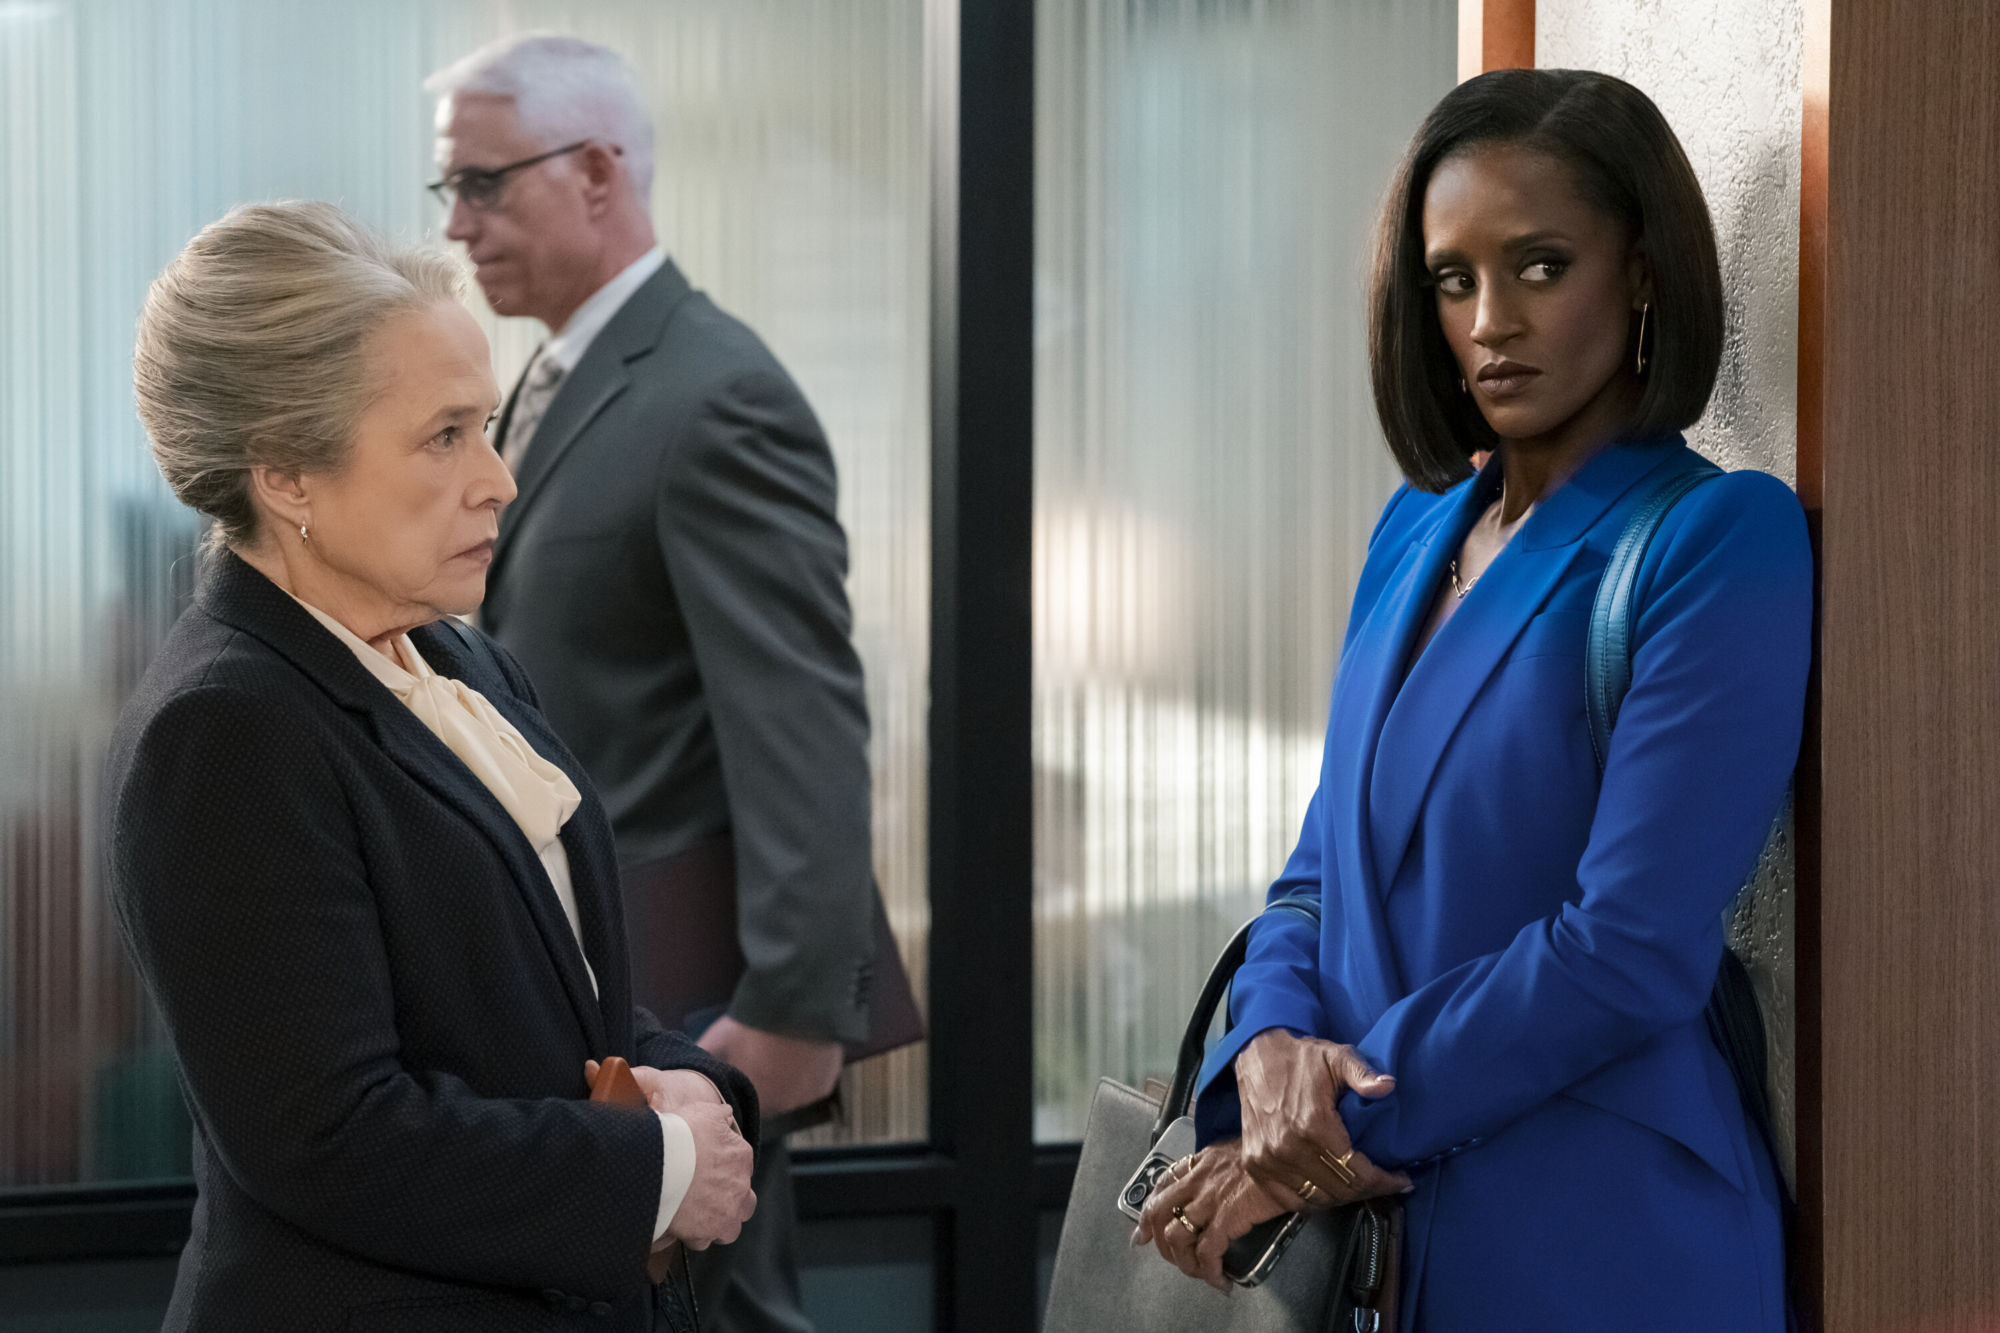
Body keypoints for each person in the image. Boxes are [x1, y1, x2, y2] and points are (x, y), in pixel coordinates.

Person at [1133, 69, 1808, 1331]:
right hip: (1369, 1240)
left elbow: (1628, 950)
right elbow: (1319, 872)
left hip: (1597, 1241)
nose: (1490, 320)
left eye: (1540, 266)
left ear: (1641, 273)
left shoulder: (1718, 539)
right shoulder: (1413, 529)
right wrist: (1265, 1049)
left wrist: (1327, 1133)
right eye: (1453, 279)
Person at [109, 201, 759, 1333]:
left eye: (487, 426)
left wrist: (691, 1085)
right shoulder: (226, 727)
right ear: (287, 476)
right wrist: (658, 1170)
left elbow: (550, 989)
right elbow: (332, 1137)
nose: (498, 478)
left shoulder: (458, 657)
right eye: (444, 436)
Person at [424, 35, 880, 1333]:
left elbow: (800, 728)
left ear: (596, 173)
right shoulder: (551, 374)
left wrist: (791, 1014)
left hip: (694, 1003)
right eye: (448, 189)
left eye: (482, 184)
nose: (457, 224)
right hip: (591, 992)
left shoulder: (714, 394)